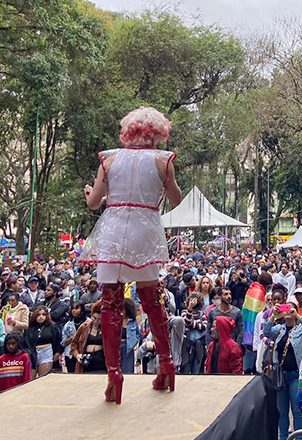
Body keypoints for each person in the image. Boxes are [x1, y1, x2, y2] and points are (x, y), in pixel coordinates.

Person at [79, 106, 182, 402]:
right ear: (157, 134)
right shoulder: (164, 161)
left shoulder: (108, 160)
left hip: (112, 231)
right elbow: (175, 199)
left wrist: (93, 195)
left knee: (110, 302)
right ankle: (166, 365)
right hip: (145, 232)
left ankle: (114, 376)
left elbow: (94, 204)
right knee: (151, 299)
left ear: (127, 133)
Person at [263, 302, 302, 440]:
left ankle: (300, 437)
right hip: (280, 375)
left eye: (289, 309)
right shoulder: (279, 329)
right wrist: (274, 315)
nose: (287, 311)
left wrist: (297, 315)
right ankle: (284, 437)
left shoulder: (300, 330)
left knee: (298, 410)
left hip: (296, 375)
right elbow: (266, 331)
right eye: (285, 308)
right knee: (282, 411)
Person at [22, 305, 63, 377]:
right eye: (38, 315)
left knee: (43, 377)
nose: (41, 317)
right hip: (32, 354)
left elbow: (59, 340)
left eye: (43, 314)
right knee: (30, 379)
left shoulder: (52, 326)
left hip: (46, 353)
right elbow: (24, 342)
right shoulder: (30, 328)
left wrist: (57, 353)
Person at [70, 301, 106, 373]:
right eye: (94, 318)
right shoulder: (84, 326)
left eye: (99, 319)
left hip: (101, 361)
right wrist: (77, 355)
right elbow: (74, 344)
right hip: (86, 360)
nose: (96, 321)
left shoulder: (107, 329)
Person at [61, 301, 87, 373]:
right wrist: (72, 339)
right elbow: (63, 342)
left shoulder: (88, 323)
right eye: (72, 309)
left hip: (84, 353)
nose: (74, 311)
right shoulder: (68, 325)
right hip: (70, 354)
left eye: (77, 308)